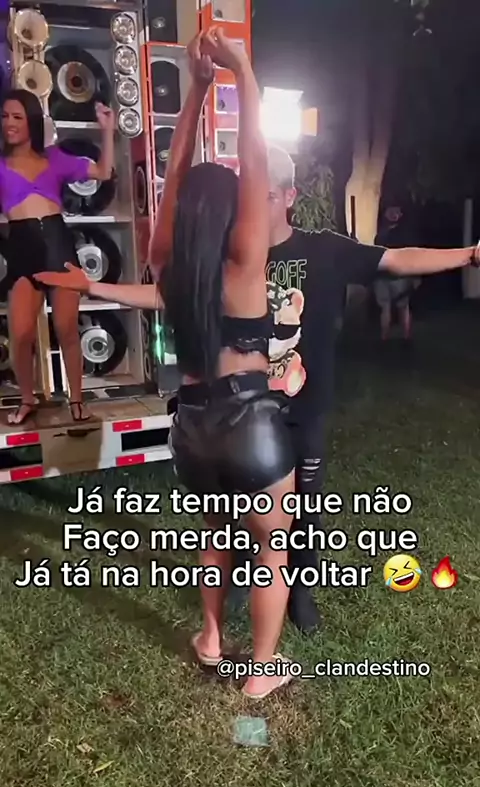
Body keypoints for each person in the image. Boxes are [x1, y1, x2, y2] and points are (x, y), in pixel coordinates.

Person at [34, 29, 297, 701]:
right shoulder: (245, 259)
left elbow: (172, 180)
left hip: (192, 429)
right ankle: (261, 671)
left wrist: (199, 90)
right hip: (251, 423)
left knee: (216, 534)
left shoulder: (169, 267)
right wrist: (241, 71)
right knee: (271, 550)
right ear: (232, 212)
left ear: (185, 217)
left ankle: (210, 637)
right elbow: (254, 160)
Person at [253, 145, 480, 634]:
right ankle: (249, 580)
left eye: (266, 194)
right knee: (247, 504)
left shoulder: (324, 250)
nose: (254, 204)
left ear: (289, 196)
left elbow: (398, 259)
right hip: (247, 407)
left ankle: (301, 590)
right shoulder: (234, 253)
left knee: (304, 505)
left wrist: (469, 254)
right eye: (248, 193)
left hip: (304, 404)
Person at [0, 89, 114, 425]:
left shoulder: (54, 158)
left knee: (66, 329)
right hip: (21, 249)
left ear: (32, 122)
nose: (9, 123)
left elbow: (104, 172)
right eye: (4, 116)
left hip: (58, 248)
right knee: (20, 334)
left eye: (17, 117)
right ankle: (27, 399)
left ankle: (77, 401)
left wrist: (107, 130)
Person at [373, 205, 421, 341]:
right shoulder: (387, 234)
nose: (394, 214)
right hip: (391, 276)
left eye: (396, 212)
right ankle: (395, 338)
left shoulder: (385, 234)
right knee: (397, 307)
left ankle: (396, 338)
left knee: (398, 307)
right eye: (391, 211)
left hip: (394, 276)